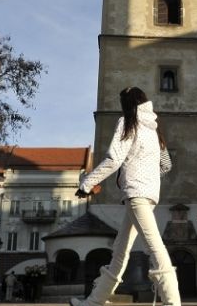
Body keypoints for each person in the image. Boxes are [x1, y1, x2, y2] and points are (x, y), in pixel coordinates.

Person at [69, 87, 180, 306]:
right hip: (147, 195)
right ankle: (93, 303)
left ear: (126, 105)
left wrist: (87, 183)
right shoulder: (155, 131)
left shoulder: (127, 123)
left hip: (135, 194)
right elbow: (166, 165)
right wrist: (148, 174)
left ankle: (172, 303)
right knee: (120, 252)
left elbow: (113, 159)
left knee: (155, 248)